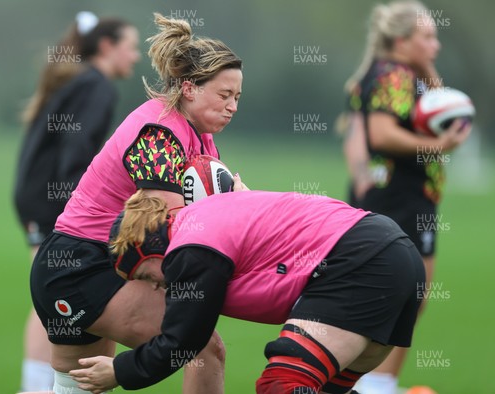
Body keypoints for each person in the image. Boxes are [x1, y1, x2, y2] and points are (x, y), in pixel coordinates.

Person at [29, 12, 243, 394]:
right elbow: (175, 235)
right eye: (224, 95)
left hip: (94, 264)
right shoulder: (158, 134)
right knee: (202, 348)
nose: (232, 107)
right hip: (80, 267)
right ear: (190, 88)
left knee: (79, 387)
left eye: (237, 97)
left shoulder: (200, 136)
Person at [68, 190, 425, 393]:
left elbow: (184, 340)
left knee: (283, 384)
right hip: (392, 255)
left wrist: (120, 370)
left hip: (363, 262)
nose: (156, 287)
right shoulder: (201, 219)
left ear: (152, 249)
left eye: (145, 276)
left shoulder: (189, 249)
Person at [341, 2, 471, 393]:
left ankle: (366, 380)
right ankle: (376, 383)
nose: (436, 44)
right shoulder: (393, 75)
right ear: (401, 41)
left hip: (398, 198)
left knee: (396, 294)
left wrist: (429, 71)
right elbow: (380, 134)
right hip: (400, 198)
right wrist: (439, 146)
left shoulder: (398, 74)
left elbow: (436, 105)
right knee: (406, 293)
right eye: (427, 36)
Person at [14, 11, 141, 391]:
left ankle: (48, 384)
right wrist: (91, 211)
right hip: (56, 203)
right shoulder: (97, 85)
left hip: (40, 198)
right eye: (131, 47)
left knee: (53, 298)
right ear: (107, 46)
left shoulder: (81, 79)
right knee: (52, 301)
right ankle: (38, 387)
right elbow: (77, 157)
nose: (136, 57)